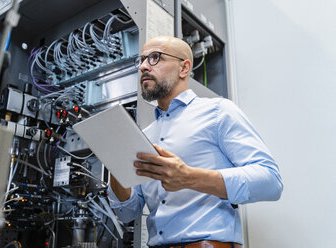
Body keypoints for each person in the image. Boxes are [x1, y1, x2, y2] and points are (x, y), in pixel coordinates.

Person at [108, 36, 283, 248]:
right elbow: (128, 212)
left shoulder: (218, 112)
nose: (144, 66)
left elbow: (270, 181)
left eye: (155, 58)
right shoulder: (145, 136)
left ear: (184, 68)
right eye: (142, 60)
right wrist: (115, 165)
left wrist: (189, 177)